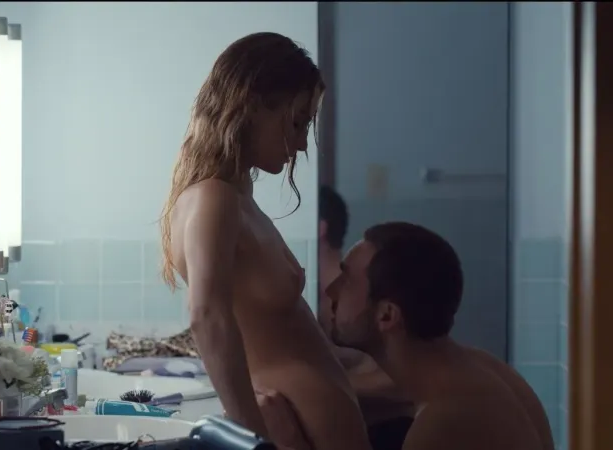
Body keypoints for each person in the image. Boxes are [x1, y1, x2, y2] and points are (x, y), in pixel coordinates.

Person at [159, 32, 372, 450]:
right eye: (296, 122)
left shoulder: (239, 197)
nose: (302, 143)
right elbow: (206, 315)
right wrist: (250, 438)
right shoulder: (213, 198)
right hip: (287, 432)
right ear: (251, 106)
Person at [261, 222, 555, 450]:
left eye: (346, 280)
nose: (331, 290)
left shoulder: (442, 424)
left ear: (387, 315)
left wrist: (291, 444)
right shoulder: (479, 368)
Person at [317, 186, 415, 450]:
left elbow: (408, 379)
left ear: (319, 227)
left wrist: (311, 389)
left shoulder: (363, 302)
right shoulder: (320, 305)